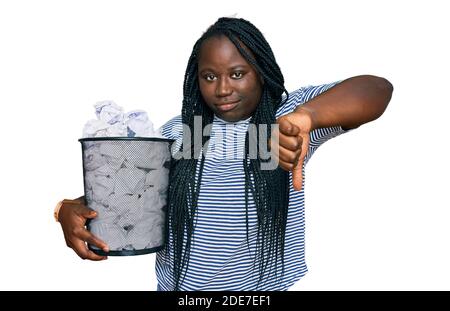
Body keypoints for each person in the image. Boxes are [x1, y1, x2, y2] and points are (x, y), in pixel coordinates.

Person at [55, 17, 393, 291]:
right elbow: (132, 193)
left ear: (261, 72)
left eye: (237, 73)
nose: (223, 88)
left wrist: (306, 117)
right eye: (209, 76)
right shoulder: (182, 131)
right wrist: (67, 208)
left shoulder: (284, 121)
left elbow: (376, 89)